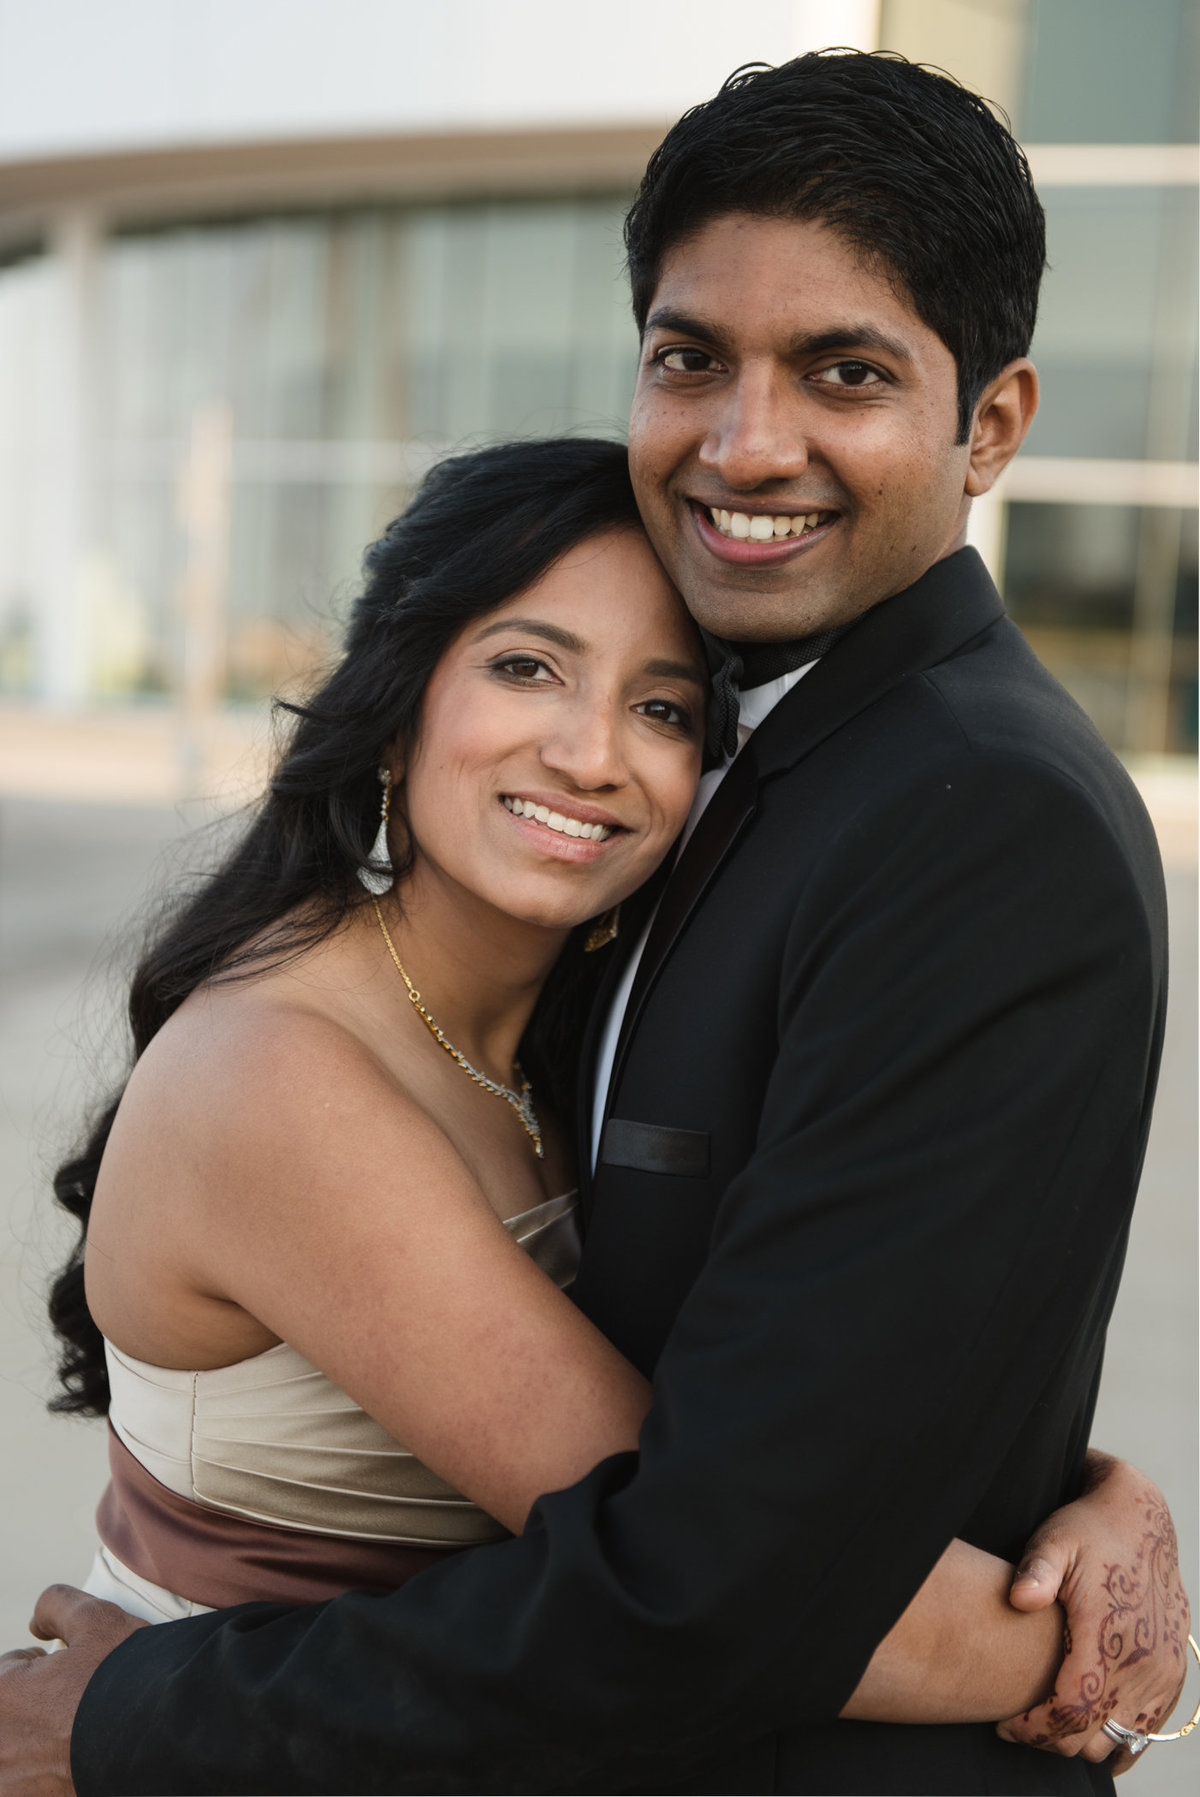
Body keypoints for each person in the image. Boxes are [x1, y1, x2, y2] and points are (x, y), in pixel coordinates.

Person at [0, 48, 1192, 1797]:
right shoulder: (319, 1060)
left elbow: (766, 1445)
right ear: (399, 695)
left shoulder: (957, 811)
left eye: (657, 705)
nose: (749, 439)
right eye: (694, 358)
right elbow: (729, 1536)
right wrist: (1090, 1632)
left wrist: (1079, 1486)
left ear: (990, 424)